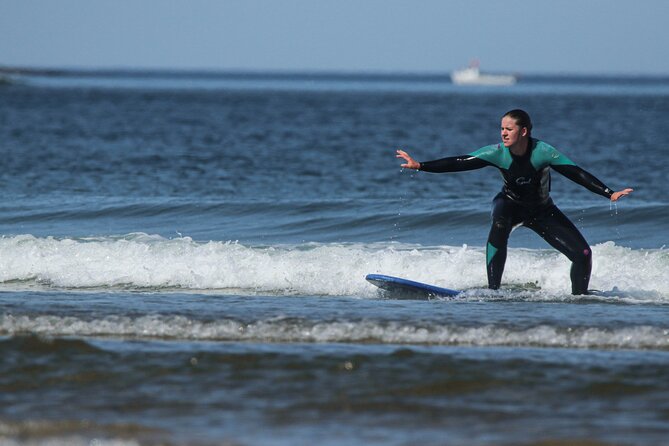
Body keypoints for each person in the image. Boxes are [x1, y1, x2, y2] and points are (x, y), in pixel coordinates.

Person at [396, 109, 633, 295]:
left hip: (542, 210)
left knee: (583, 254)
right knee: (500, 223)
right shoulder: (497, 152)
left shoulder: (543, 151)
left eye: (509, 129)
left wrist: (608, 192)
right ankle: (493, 291)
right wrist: (421, 165)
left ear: (524, 131)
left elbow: (575, 172)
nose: (503, 133)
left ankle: (580, 297)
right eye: (501, 128)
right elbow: (460, 162)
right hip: (509, 203)